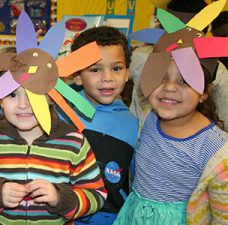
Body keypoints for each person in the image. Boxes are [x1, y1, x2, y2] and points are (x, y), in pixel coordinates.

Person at [0, 10, 107, 224]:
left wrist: (60, 197)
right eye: (12, 94)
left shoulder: (73, 142)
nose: (23, 104)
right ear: (0, 99)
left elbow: (96, 195)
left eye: (35, 92)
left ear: (52, 95)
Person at [114, 2, 228, 224]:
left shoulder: (218, 151)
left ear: (205, 93)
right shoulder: (147, 118)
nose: (170, 87)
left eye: (185, 81)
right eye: (161, 76)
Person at [65, 26, 139, 225]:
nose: (107, 77)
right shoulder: (61, 114)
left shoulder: (134, 125)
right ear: (78, 76)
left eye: (116, 68)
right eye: (95, 69)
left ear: (127, 73)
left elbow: (133, 182)